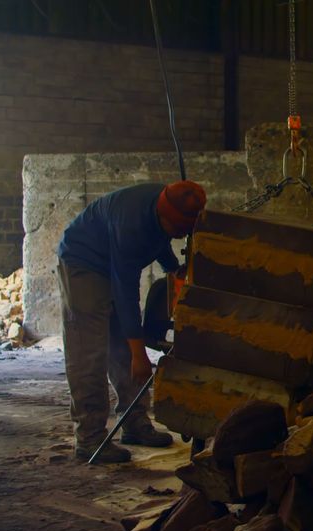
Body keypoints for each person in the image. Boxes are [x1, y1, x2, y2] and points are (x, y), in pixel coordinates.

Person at [57, 180, 206, 463]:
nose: (177, 235)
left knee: (122, 349)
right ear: (164, 216)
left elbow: (160, 239)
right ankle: (89, 437)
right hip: (84, 263)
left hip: (110, 262)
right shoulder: (131, 226)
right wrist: (140, 354)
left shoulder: (166, 205)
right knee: (89, 353)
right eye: (177, 230)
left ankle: (135, 423)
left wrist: (173, 269)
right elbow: (125, 293)